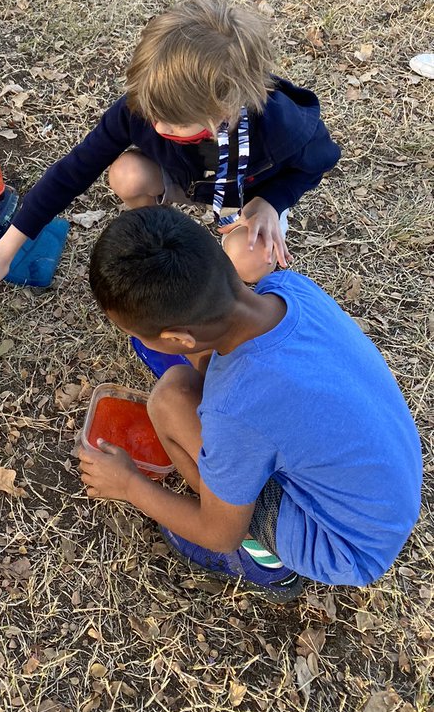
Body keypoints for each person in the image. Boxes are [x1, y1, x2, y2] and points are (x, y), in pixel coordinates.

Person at [0, 0, 340, 371]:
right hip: (181, 178)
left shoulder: (279, 125)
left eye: (171, 122)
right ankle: (158, 242)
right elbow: (73, 171)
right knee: (127, 173)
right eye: (152, 113)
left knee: (251, 258)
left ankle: (218, 286)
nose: (157, 126)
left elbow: (318, 164)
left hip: (245, 197)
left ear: (221, 109)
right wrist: (5, 250)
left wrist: (272, 201)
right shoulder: (143, 106)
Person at [78, 207, 421, 600]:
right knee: (184, 390)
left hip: (345, 545)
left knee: (170, 400)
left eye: (135, 334)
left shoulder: (236, 408)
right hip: (389, 492)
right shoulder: (291, 288)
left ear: (180, 339)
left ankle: (265, 562)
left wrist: (129, 484)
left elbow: (220, 534)